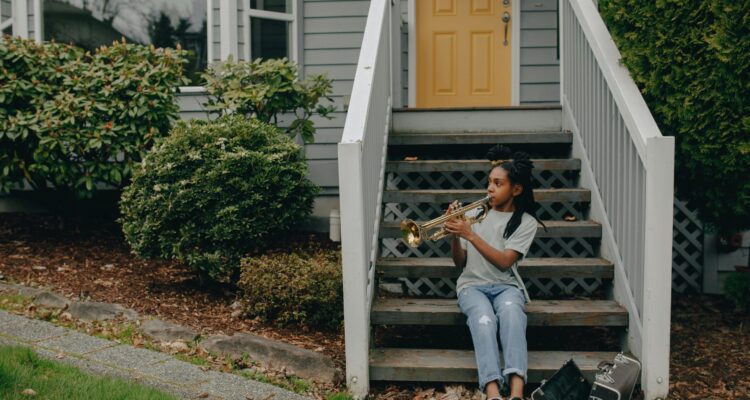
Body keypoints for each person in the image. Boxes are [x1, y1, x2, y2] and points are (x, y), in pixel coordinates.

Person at [444, 144, 545, 400]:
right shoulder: (475, 213)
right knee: (483, 320)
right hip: (471, 286)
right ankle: (492, 391)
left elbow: (504, 262)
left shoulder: (526, 222)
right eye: (489, 182)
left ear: (516, 189)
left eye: (498, 184)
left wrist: (470, 234)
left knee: (512, 315)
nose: (490, 188)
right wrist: (455, 236)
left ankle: (517, 392)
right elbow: (460, 263)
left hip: (506, 285)